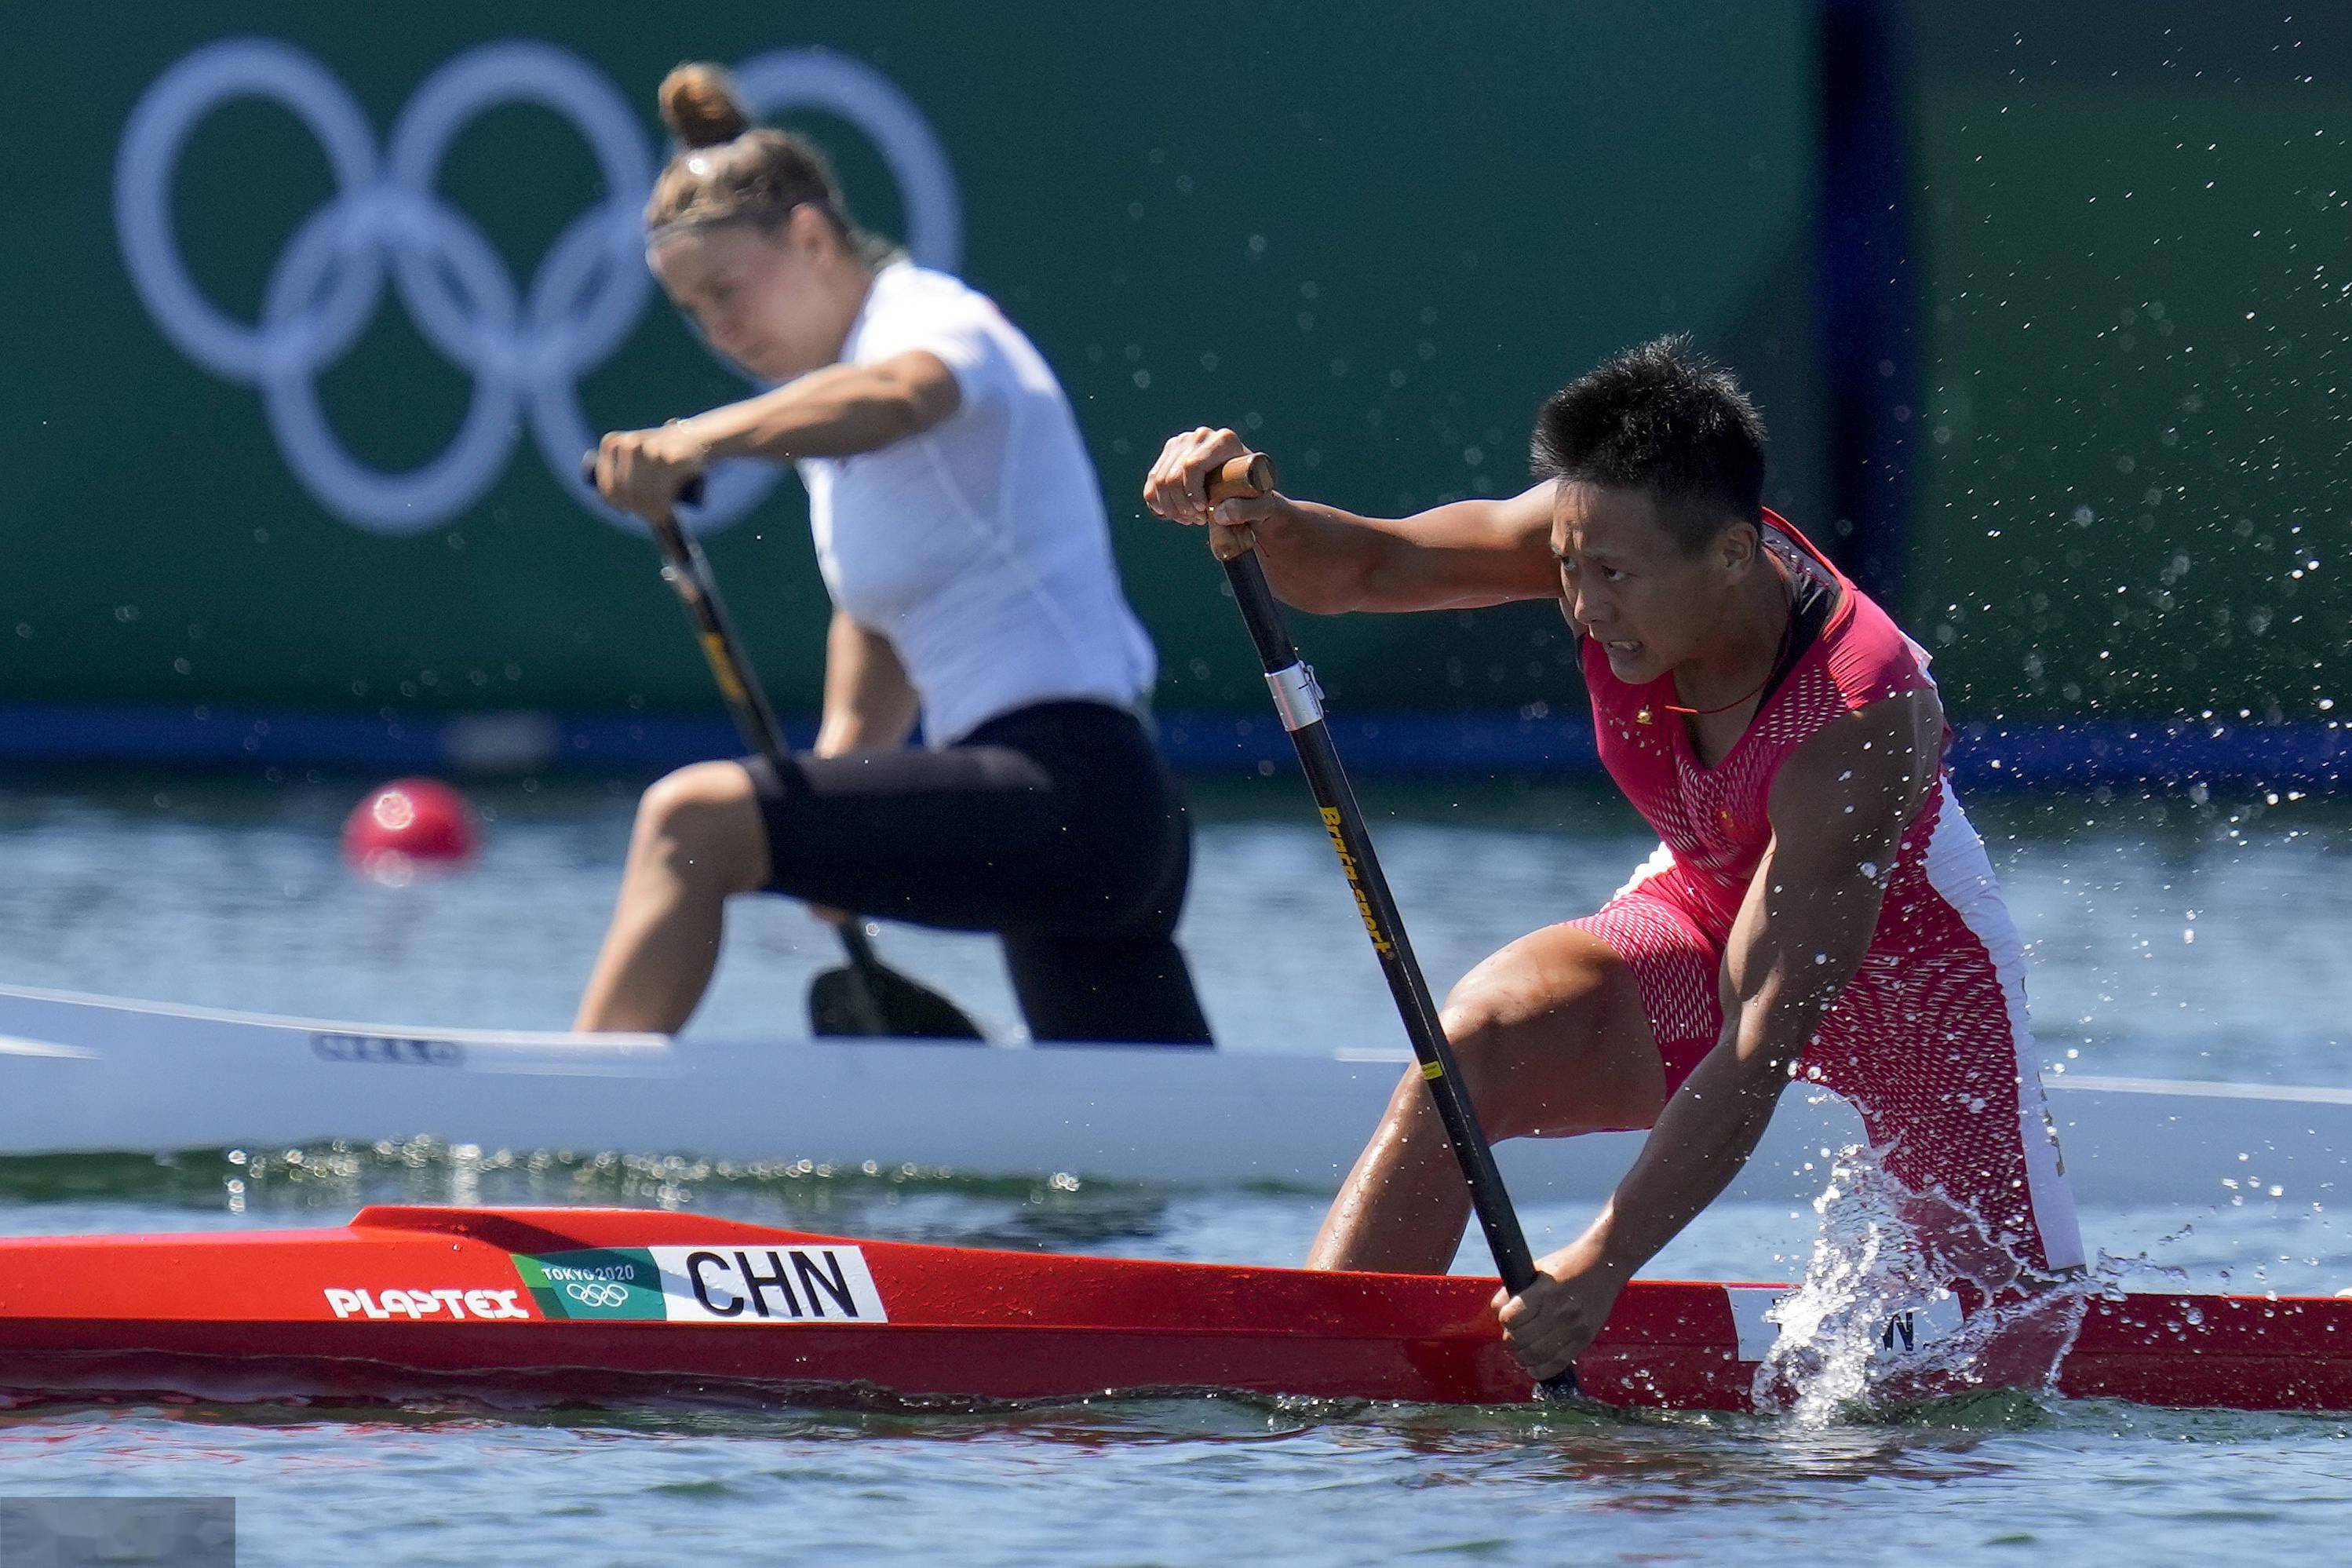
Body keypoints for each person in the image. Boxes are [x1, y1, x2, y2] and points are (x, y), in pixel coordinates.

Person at [1144, 337, 2082, 1377]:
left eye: (1614, 578)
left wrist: (1601, 1262)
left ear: (1731, 554)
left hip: (1912, 981)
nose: (1584, 605)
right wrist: (1261, 520)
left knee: (2013, 1336)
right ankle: (1308, 1372)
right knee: (1478, 1042)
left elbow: (1758, 1040)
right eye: (1568, 569)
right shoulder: (1596, 527)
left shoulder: (1862, 713)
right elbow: (1369, 564)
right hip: (1709, 897)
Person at [577, 64, 1210, 1045]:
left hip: (1071, 793)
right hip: (1087, 832)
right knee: (1138, 1161)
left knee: (687, 823)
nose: (721, 330)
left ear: (813, 238)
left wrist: (703, 439)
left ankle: (574, 1129)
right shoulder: (833, 429)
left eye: (729, 291)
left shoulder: (924, 316)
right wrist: (834, 797)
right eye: (694, 312)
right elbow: (878, 620)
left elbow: (908, 394)